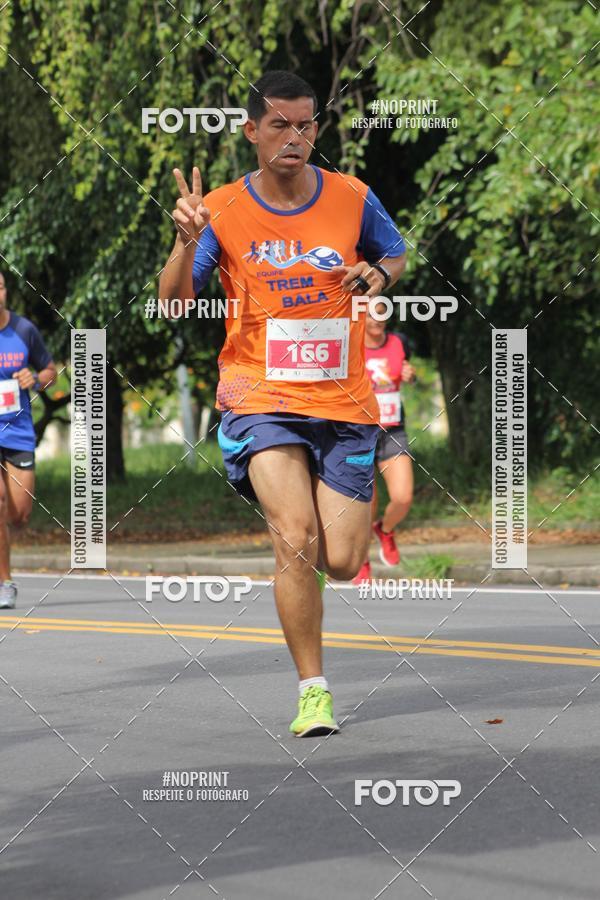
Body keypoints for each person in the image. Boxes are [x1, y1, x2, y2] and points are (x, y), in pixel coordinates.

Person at [159, 71, 406, 736]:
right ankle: (314, 691)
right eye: (279, 126)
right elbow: (173, 302)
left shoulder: (352, 197)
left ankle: (316, 584)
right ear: (251, 132)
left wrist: (378, 274)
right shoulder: (223, 208)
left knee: (343, 560)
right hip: (258, 397)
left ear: (315, 131)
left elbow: (395, 251)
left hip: (345, 401)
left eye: (304, 126)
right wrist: (185, 241)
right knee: (294, 538)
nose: (293, 137)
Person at [0, 272, 57, 609]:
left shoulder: (24, 330)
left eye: (1, 285)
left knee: (18, 515)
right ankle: (5, 581)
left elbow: (51, 371)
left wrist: (34, 378)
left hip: (19, 432)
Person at [353, 302, 416, 584]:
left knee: (403, 497)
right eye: (373, 314)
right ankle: (361, 560)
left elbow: (407, 371)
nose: (379, 319)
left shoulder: (399, 341)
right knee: (367, 503)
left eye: (383, 313)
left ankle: (386, 529)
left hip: (392, 429)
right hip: (359, 431)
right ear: (361, 316)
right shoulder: (351, 343)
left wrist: (409, 376)